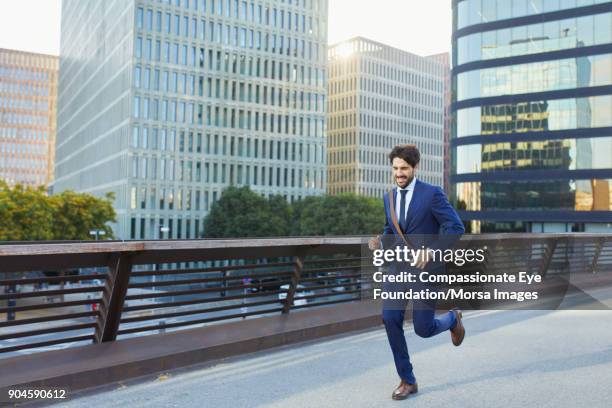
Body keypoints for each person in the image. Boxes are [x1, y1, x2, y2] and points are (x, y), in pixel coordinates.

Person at [368, 144, 466, 400]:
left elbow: (455, 227)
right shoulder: (388, 197)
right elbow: (392, 230)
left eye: (404, 168)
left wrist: (432, 251)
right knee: (390, 319)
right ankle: (407, 379)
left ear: (415, 168)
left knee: (423, 329)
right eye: (395, 169)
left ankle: (453, 319)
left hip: (426, 270)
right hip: (398, 269)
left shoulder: (432, 194)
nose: (399, 173)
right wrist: (381, 240)